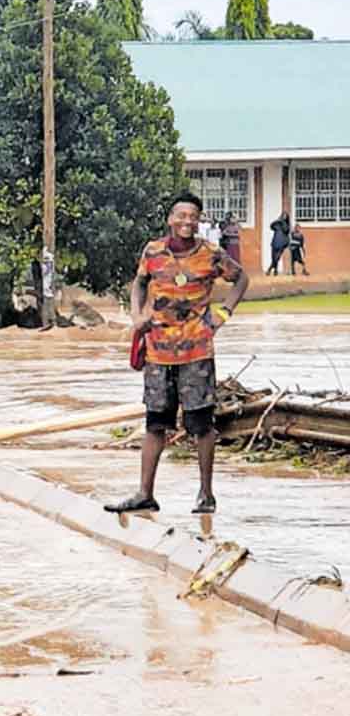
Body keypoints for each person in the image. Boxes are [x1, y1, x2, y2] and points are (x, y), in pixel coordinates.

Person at [106, 192, 249, 516]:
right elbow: (139, 283)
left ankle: (206, 494)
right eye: (180, 216)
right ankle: (145, 493)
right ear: (170, 219)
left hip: (196, 351)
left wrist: (223, 313)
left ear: (198, 221)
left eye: (192, 216)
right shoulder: (153, 251)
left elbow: (241, 278)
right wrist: (137, 315)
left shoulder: (211, 254)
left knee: (201, 425)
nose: (186, 221)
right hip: (157, 352)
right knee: (155, 423)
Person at [266, 212, 290, 276]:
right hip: (275, 242)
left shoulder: (287, 225)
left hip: (282, 243)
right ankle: (275, 271)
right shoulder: (277, 224)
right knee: (273, 258)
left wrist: (282, 222)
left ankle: (269, 269)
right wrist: (277, 220)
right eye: (283, 216)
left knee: (277, 258)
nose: (284, 217)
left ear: (287, 217)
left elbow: (286, 230)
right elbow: (271, 226)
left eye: (285, 216)